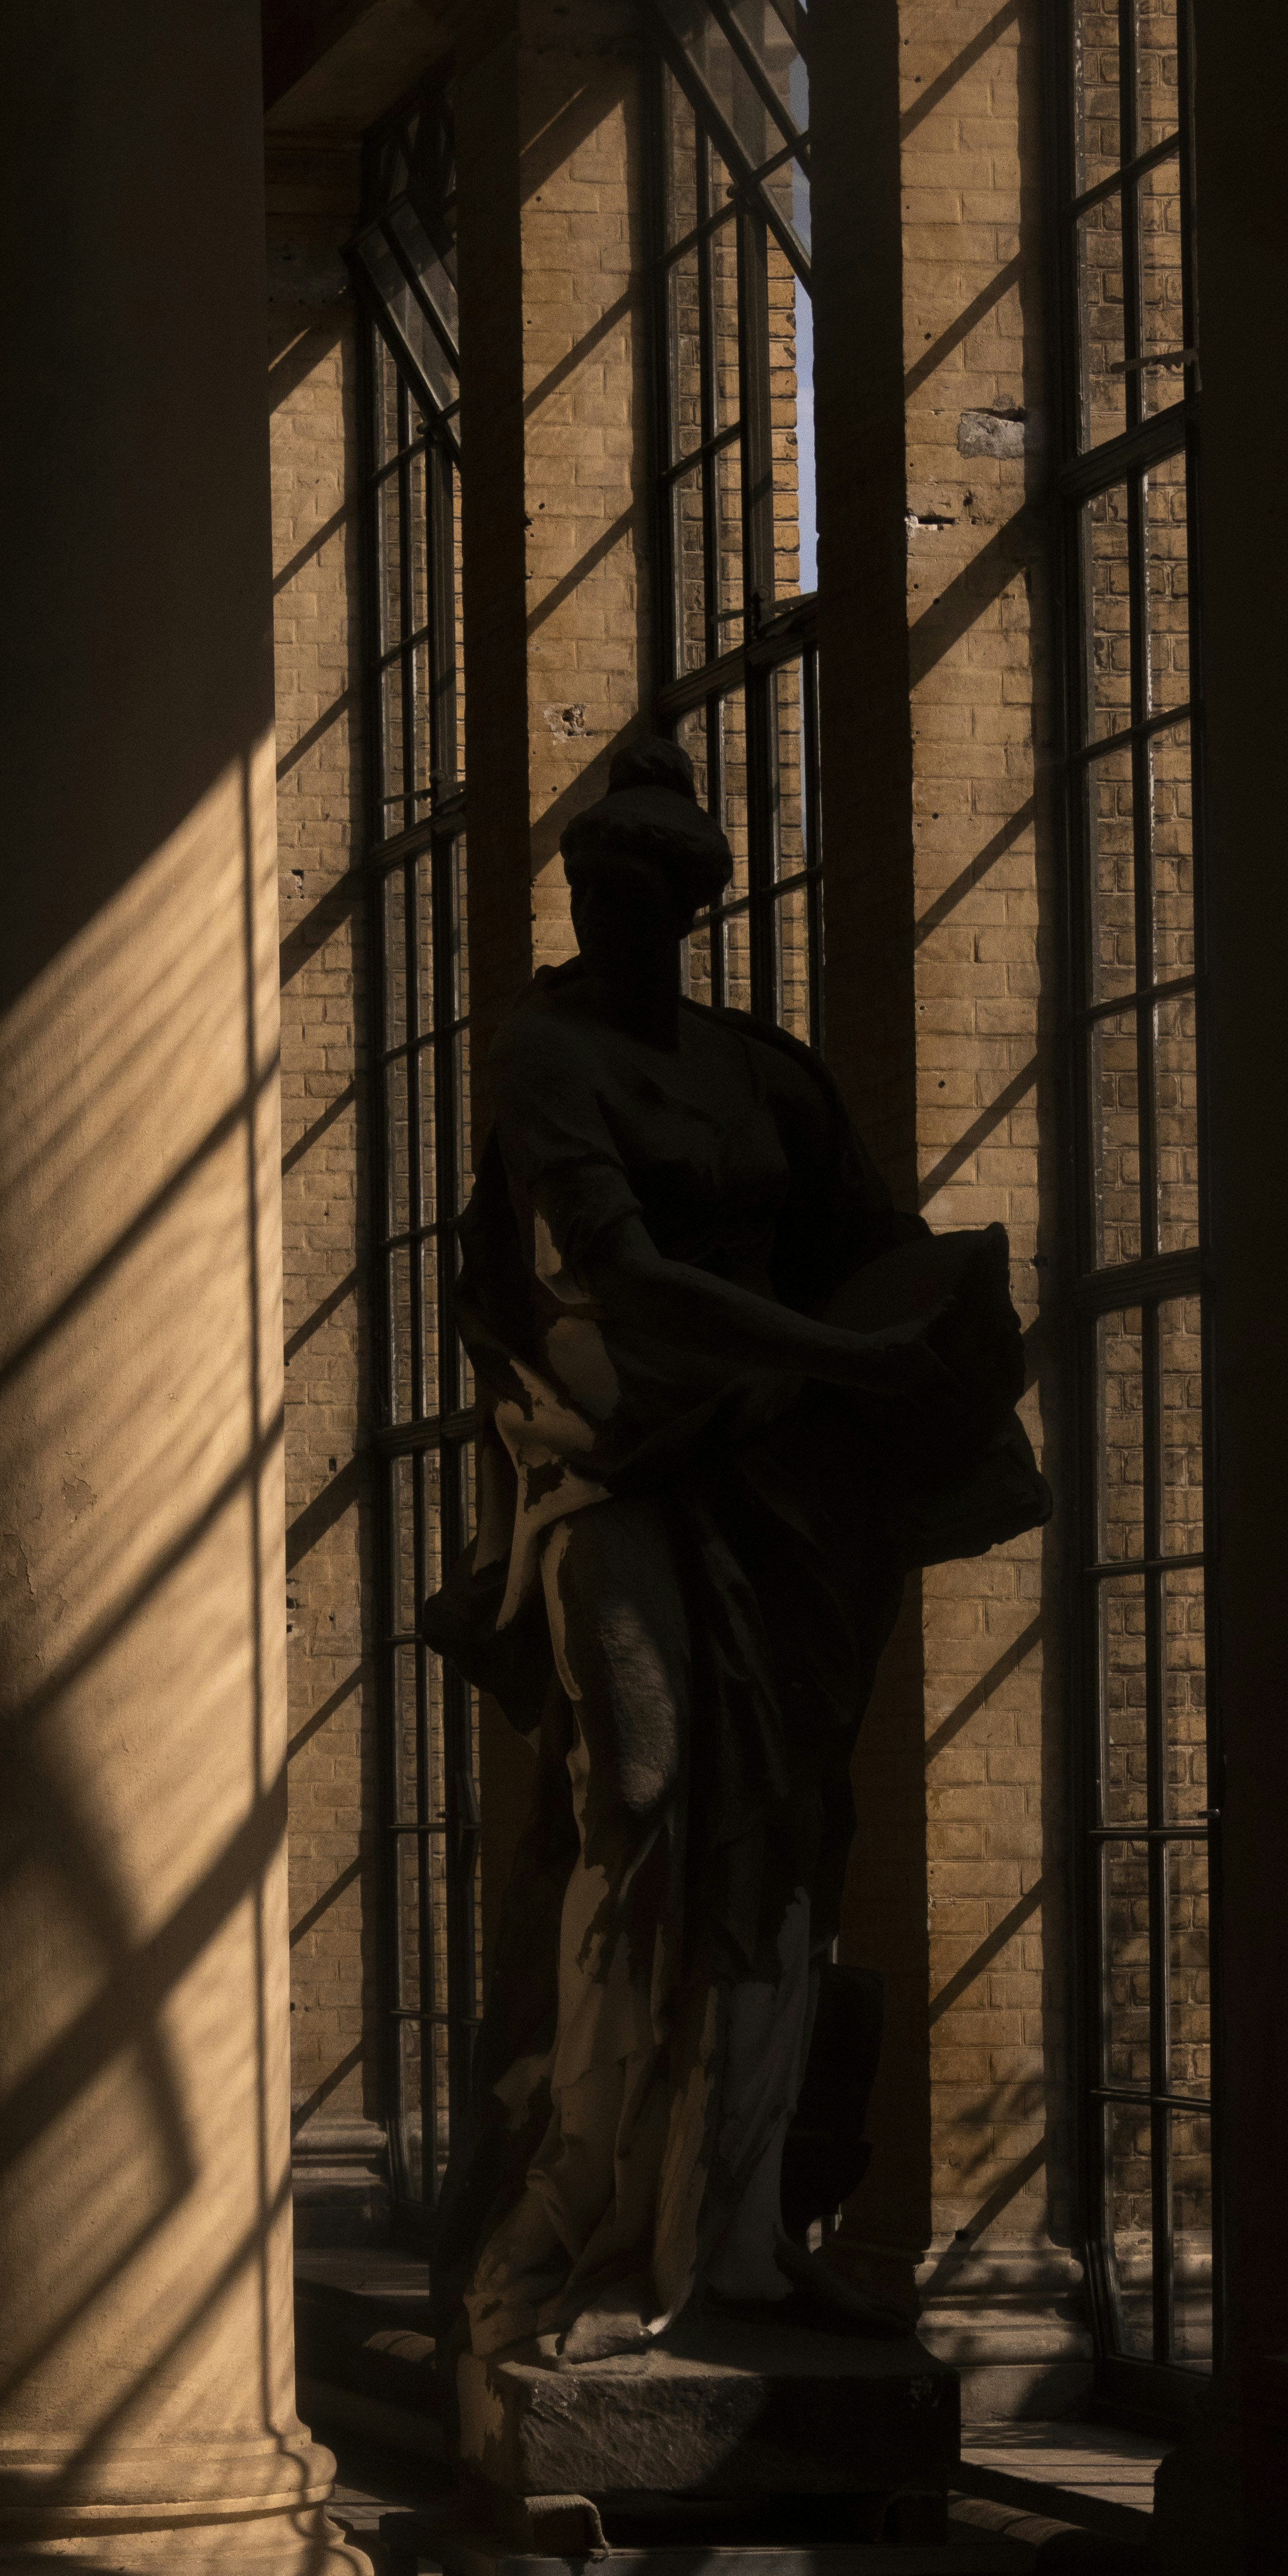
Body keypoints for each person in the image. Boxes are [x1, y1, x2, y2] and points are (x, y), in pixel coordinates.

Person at [427, 739, 1039, 2366]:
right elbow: (621, 1282)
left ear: (698, 903)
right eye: (594, 887)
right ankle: (583, 2208)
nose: (612, 912)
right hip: (618, 1468)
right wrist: (850, 1364)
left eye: (646, 891)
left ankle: (740, 2236)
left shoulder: (763, 1071)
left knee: (784, 1829)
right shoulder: (546, 1054)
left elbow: (871, 1243)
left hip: (790, 1491)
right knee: (641, 1801)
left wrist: (940, 1338)